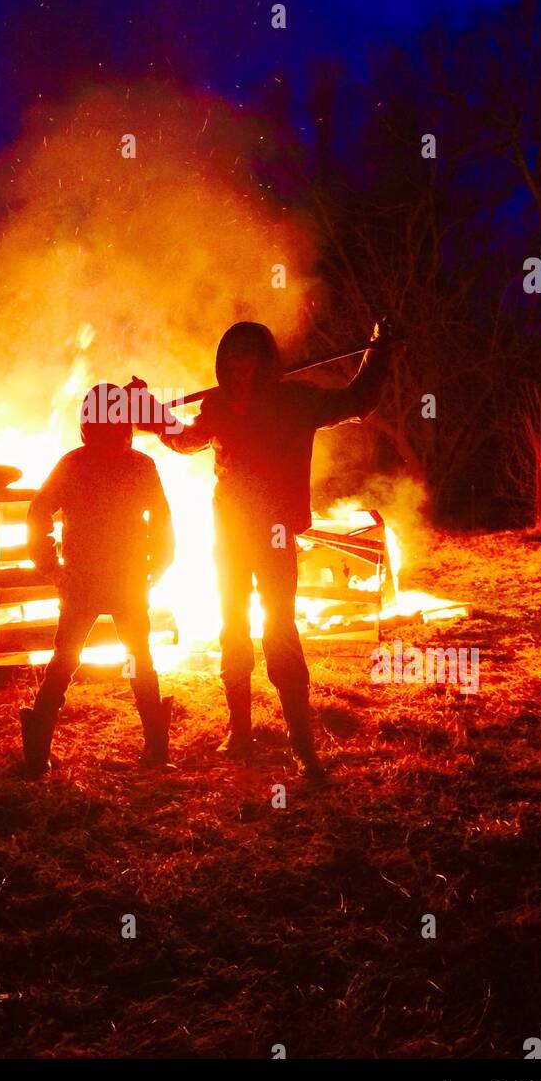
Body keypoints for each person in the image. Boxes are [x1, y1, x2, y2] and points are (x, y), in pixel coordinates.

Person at [134, 318, 393, 780]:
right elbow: (187, 439)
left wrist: (379, 351)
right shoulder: (216, 406)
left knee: (279, 629)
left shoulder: (296, 401)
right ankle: (240, 731)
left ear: (264, 362)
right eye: (231, 362)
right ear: (222, 366)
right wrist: (151, 413)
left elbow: (359, 400)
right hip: (229, 531)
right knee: (232, 626)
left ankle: (301, 743)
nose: (238, 370)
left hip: (274, 531)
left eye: (247, 359)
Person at [21, 383, 175, 776]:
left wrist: (156, 564)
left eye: (119, 431)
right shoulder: (77, 465)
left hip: (122, 579)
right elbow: (40, 511)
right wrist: (50, 564)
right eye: (105, 432)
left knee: (137, 659)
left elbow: (161, 520)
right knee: (70, 660)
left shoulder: (137, 466)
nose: (113, 440)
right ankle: (38, 751)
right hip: (87, 580)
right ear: (89, 431)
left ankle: (156, 751)